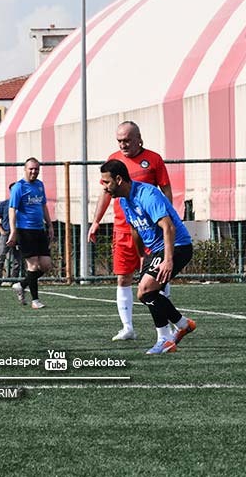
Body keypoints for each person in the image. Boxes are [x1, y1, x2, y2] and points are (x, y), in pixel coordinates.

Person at [100, 159, 196, 354]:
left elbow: (168, 227)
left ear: (119, 180)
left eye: (107, 182)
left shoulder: (147, 194)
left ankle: (165, 339)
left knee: (146, 290)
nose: (105, 187)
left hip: (177, 246)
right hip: (155, 251)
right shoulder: (123, 200)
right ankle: (183, 324)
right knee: (145, 294)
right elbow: (135, 229)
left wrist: (168, 260)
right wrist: (142, 255)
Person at [88, 121, 173, 342]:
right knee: (123, 277)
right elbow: (105, 193)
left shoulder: (154, 159)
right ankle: (127, 328)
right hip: (122, 229)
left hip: (149, 231)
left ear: (138, 139)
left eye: (127, 140)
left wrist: (168, 216)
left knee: (159, 279)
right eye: (119, 141)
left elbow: (165, 190)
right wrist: (96, 221)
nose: (123, 145)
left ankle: (168, 326)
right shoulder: (113, 160)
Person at [8, 157, 54, 309]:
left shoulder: (40, 185)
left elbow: (43, 206)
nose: (34, 172)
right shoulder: (19, 187)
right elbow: (12, 210)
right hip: (25, 230)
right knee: (33, 265)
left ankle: (21, 285)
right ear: (25, 169)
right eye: (31, 169)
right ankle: (35, 300)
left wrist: (50, 225)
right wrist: (13, 231)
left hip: (39, 229)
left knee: (46, 265)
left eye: (36, 169)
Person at [0, 182, 23, 284]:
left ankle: (14, 281)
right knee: (0, 257)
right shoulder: (4, 204)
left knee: (17, 260)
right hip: (6, 234)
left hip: (19, 234)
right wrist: (2, 232)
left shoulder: (22, 204)